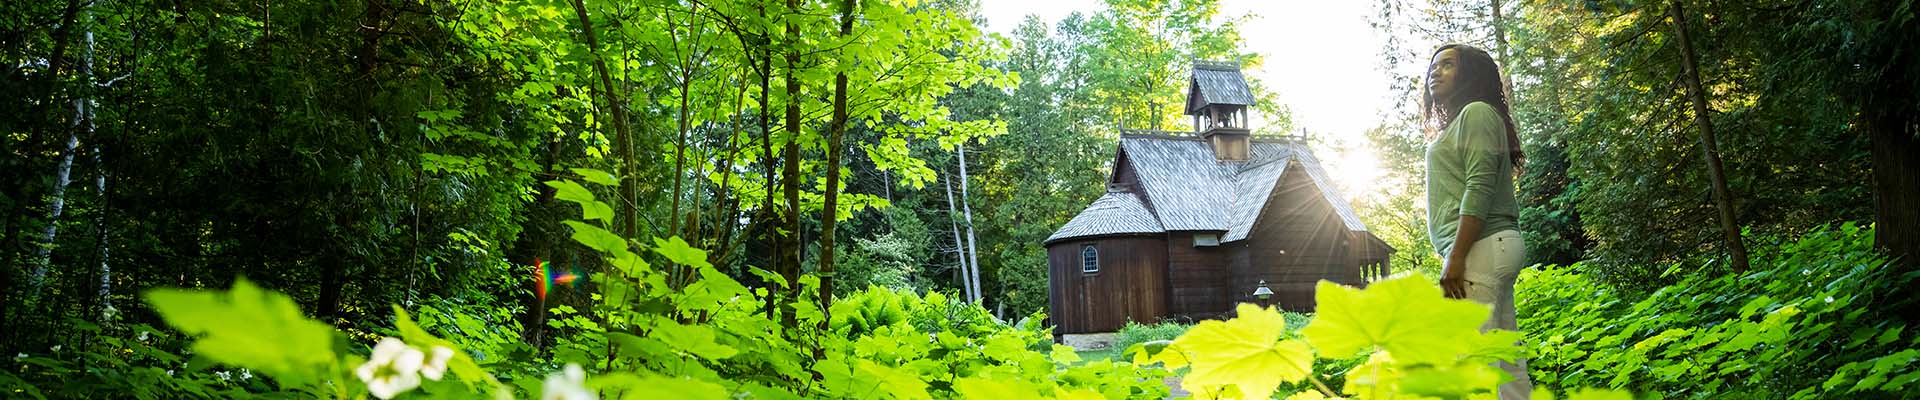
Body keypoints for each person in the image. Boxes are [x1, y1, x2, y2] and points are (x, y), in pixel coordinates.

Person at [1422, 43, 1533, 399]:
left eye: (1448, 65)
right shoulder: (1464, 120)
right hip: (1489, 246)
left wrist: (1456, 257)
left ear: (1469, 73)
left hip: (1480, 247)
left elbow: (1480, 186)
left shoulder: (1477, 113)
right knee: (1506, 364)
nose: (1435, 73)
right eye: (1433, 67)